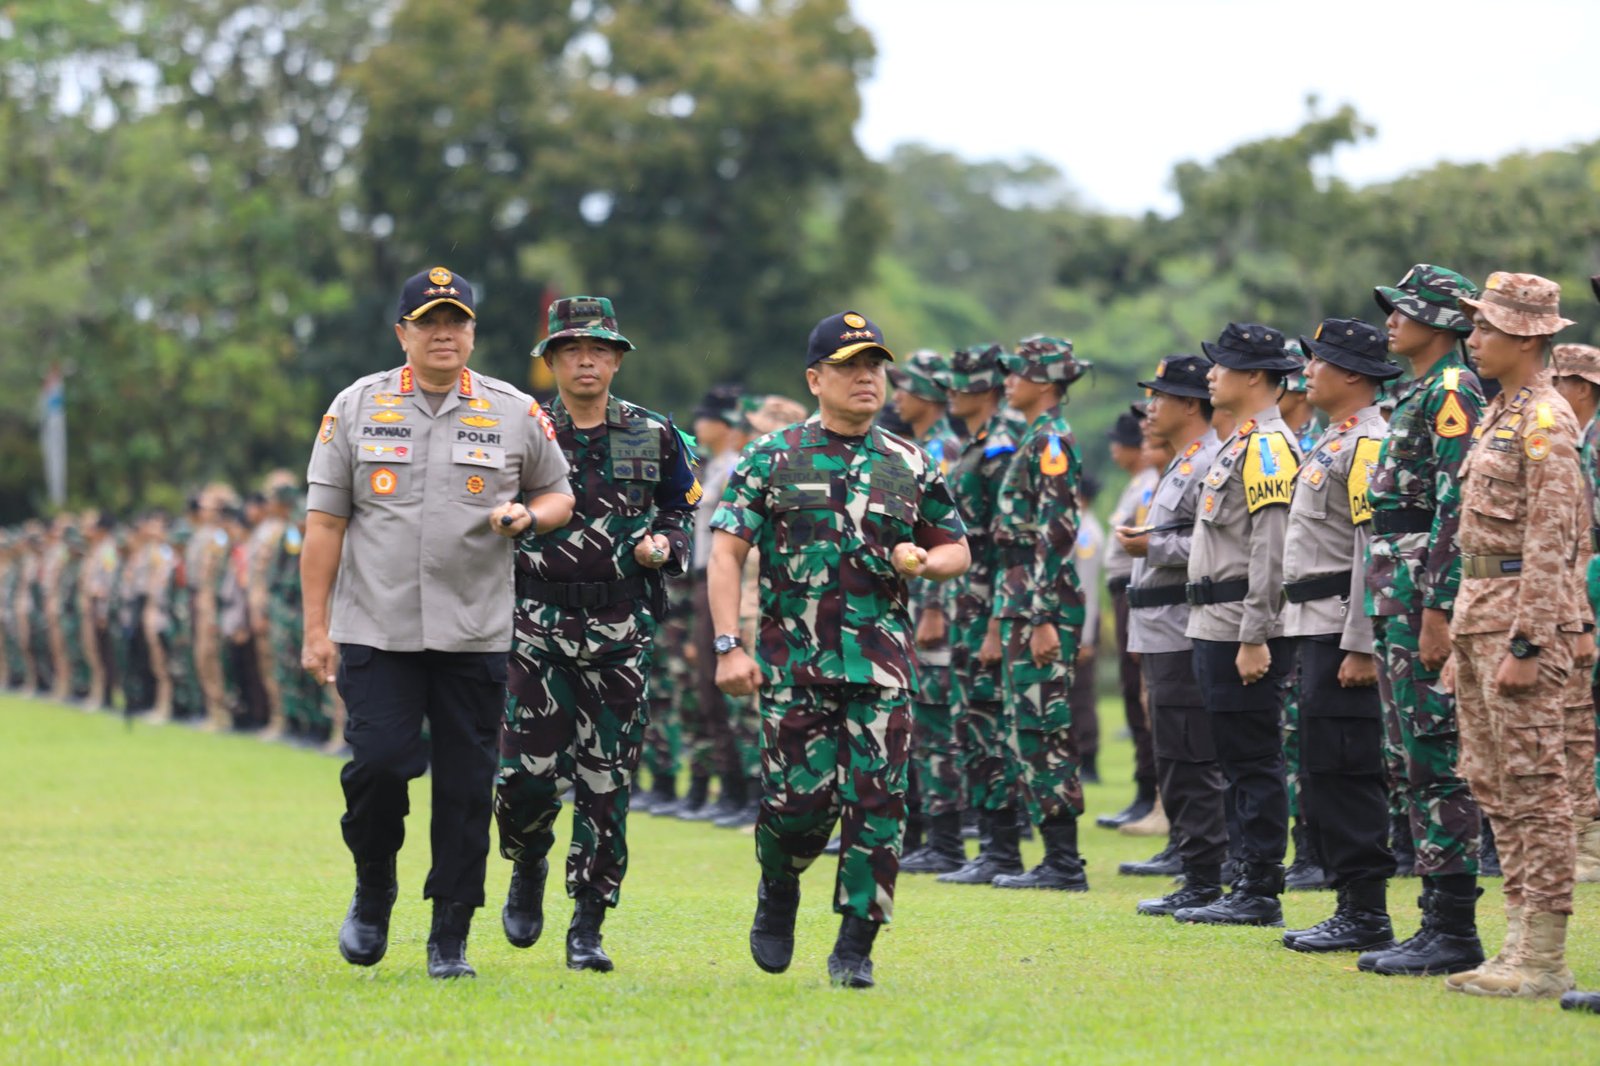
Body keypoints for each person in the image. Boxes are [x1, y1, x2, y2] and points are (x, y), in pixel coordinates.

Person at [302, 266, 574, 980]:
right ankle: (373, 888)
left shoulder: (515, 411)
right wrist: (314, 628)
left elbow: (558, 494)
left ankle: (450, 933)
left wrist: (529, 515)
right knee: (378, 769)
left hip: (473, 631)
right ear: (404, 333)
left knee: (464, 787)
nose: (444, 333)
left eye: (456, 321)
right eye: (429, 322)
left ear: (473, 333)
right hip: (376, 629)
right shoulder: (357, 407)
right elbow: (325, 522)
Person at [708, 310, 969, 989]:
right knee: (799, 807)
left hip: (883, 667)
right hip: (794, 667)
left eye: (875, 366)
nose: (866, 378)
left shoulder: (909, 461)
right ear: (815, 378)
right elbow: (727, 551)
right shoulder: (772, 456)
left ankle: (857, 943)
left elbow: (958, 546)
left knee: (878, 807)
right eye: (850, 366)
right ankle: (779, 881)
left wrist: (929, 562)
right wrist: (728, 644)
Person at [493, 295, 697, 974]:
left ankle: (588, 922)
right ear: (551, 361)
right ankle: (527, 860)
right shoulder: (522, 429)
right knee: (525, 778)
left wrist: (666, 545)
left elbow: (681, 510)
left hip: (618, 629)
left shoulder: (654, 433)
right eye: (572, 350)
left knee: (606, 782)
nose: (587, 360)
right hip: (534, 625)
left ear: (616, 360)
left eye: (600, 350)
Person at [1443, 272, 1588, 999]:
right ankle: (1514, 945)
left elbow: (1553, 539)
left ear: (1528, 337)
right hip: (1482, 612)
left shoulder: (1545, 421)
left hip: (1519, 621)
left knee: (1536, 785)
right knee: (1492, 782)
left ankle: (1543, 955)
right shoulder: (1500, 413)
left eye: (1487, 328)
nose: (1474, 338)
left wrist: (1530, 643)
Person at [1355, 265, 1492, 978]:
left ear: (1443, 323)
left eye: (1404, 311)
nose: (1391, 321)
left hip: (1420, 605)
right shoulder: (1419, 391)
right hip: (1397, 600)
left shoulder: (1452, 392)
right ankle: (1434, 921)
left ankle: (1453, 928)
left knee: (1438, 758)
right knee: (1412, 758)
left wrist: (1437, 609)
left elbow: (1455, 510)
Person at [1172, 322, 1303, 927]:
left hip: (1238, 625)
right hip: (1213, 620)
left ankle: (1259, 889)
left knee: (1252, 758)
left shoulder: (1268, 447)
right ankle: (1239, 879)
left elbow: (1271, 549)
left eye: (1222, 365)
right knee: (1232, 755)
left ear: (1255, 377)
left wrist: (1256, 633)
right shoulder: (1239, 442)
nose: (1210, 374)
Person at [1277, 318, 1401, 953]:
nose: (1307, 372)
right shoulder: (1333, 440)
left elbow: (1368, 548)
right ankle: (1351, 904)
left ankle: (1365, 911)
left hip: (1339, 627)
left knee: (1348, 768)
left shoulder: (1366, 445)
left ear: (1352, 372)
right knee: (1324, 766)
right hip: (1313, 624)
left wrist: (1360, 641)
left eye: (1319, 362)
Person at [1119, 354, 1232, 913]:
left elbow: (1222, 548)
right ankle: (1196, 872)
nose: (1150, 407)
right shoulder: (1184, 461)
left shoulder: (1210, 459)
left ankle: (1206, 877)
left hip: (1183, 629)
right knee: (1174, 754)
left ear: (1190, 404)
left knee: (1190, 755)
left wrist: (1151, 547)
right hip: (1159, 627)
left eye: (1160, 396)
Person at [986, 336, 1094, 892]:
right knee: (1025, 727)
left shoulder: (1051, 438)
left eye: (1018, 371)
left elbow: (1058, 529)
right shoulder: (1033, 435)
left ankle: (1064, 863)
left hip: (1041, 602)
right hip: (1023, 598)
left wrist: (1044, 614)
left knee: (1043, 726)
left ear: (1047, 383)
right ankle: (1054, 857)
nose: (1008, 380)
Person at [922, 344, 1025, 880]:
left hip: (985, 607)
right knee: (971, 726)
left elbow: (1009, 543)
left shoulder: (1000, 450)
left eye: (962, 386)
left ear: (985, 387)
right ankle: (990, 848)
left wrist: (994, 624)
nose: (951, 394)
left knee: (987, 727)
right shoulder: (977, 445)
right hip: (967, 604)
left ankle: (1003, 850)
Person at [891, 350, 964, 867]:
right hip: (918, 601)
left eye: (905, 386)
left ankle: (944, 841)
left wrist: (934, 605)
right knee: (919, 722)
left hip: (940, 605)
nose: (896, 394)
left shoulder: (940, 449)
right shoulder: (918, 446)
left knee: (937, 724)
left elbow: (943, 534)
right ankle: (920, 833)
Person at [1551, 343, 1600, 886]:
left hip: (1588, 590)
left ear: (1581, 388)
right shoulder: (1578, 438)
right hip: (1578, 589)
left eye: (1559, 381)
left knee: (1580, 722)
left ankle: (1589, 844)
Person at [1100, 410, 1160, 826]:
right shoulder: (1141, 483)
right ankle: (1146, 790)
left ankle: (1151, 790)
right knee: (1132, 690)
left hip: (1138, 590)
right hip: (1126, 589)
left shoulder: (1152, 482)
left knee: (1145, 691)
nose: (1114, 448)